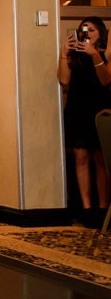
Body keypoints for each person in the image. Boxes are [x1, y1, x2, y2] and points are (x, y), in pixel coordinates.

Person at [58, 17, 111, 222]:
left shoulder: (105, 53)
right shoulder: (74, 56)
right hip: (77, 109)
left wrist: (94, 54)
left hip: (99, 110)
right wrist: (64, 54)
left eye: (92, 31)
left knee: (100, 159)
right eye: (84, 30)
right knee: (80, 158)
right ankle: (86, 208)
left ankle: (102, 208)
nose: (87, 34)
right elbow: (63, 80)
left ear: (101, 34)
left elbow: (106, 80)